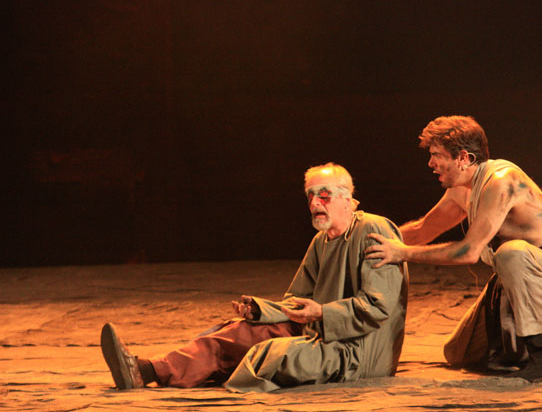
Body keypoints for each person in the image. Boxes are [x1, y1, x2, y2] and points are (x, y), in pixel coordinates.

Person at [101, 163, 408, 392]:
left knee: (269, 355)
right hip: (321, 330)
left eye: (324, 195)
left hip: (357, 353)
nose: (315, 203)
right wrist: (261, 311)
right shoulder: (321, 241)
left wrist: (321, 313)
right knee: (239, 331)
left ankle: (195, 378)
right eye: (310, 196)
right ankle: (146, 371)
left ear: (347, 199)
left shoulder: (373, 230)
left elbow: (377, 308)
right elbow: (296, 301)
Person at [365, 115, 542, 381]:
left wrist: (401, 253)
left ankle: (541, 349)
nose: (430, 164)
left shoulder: (501, 180)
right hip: (517, 281)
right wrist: (367, 238)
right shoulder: (462, 190)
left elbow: (468, 252)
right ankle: (523, 342)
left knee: (511, 253)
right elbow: (422, 231)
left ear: (463, 158)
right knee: (458, 353)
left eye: (436, 155)